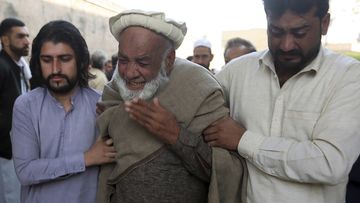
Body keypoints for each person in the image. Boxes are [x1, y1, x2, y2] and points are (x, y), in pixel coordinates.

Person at [203, 0, 360, 202]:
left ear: (325, 23)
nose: (286, 45)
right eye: (276, 31)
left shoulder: (348, 76)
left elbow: (330, 163)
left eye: (299, 33)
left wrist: (244, 140)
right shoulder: (237, 71)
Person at [96, 9, 246, 203]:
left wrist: (175, 135)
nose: (130, 73)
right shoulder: (114, 92)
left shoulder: (200, 89)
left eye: (142, 62)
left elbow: (224, 170)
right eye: (123, 60)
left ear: (168, 60)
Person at [11, 20, 116, 203]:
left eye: (64, 59)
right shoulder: (26, 106)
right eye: (47, 60)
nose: (55, 69)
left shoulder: (101, 104)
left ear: (81, 61)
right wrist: (86, 159)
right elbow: (26, 171)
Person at [0, 17, 30, 203]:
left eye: (27, 36)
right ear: (5, 40)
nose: (27, 41)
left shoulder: (19, 67)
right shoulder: (2, 67)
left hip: (18, 149)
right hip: (5, 151)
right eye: (20, 36)